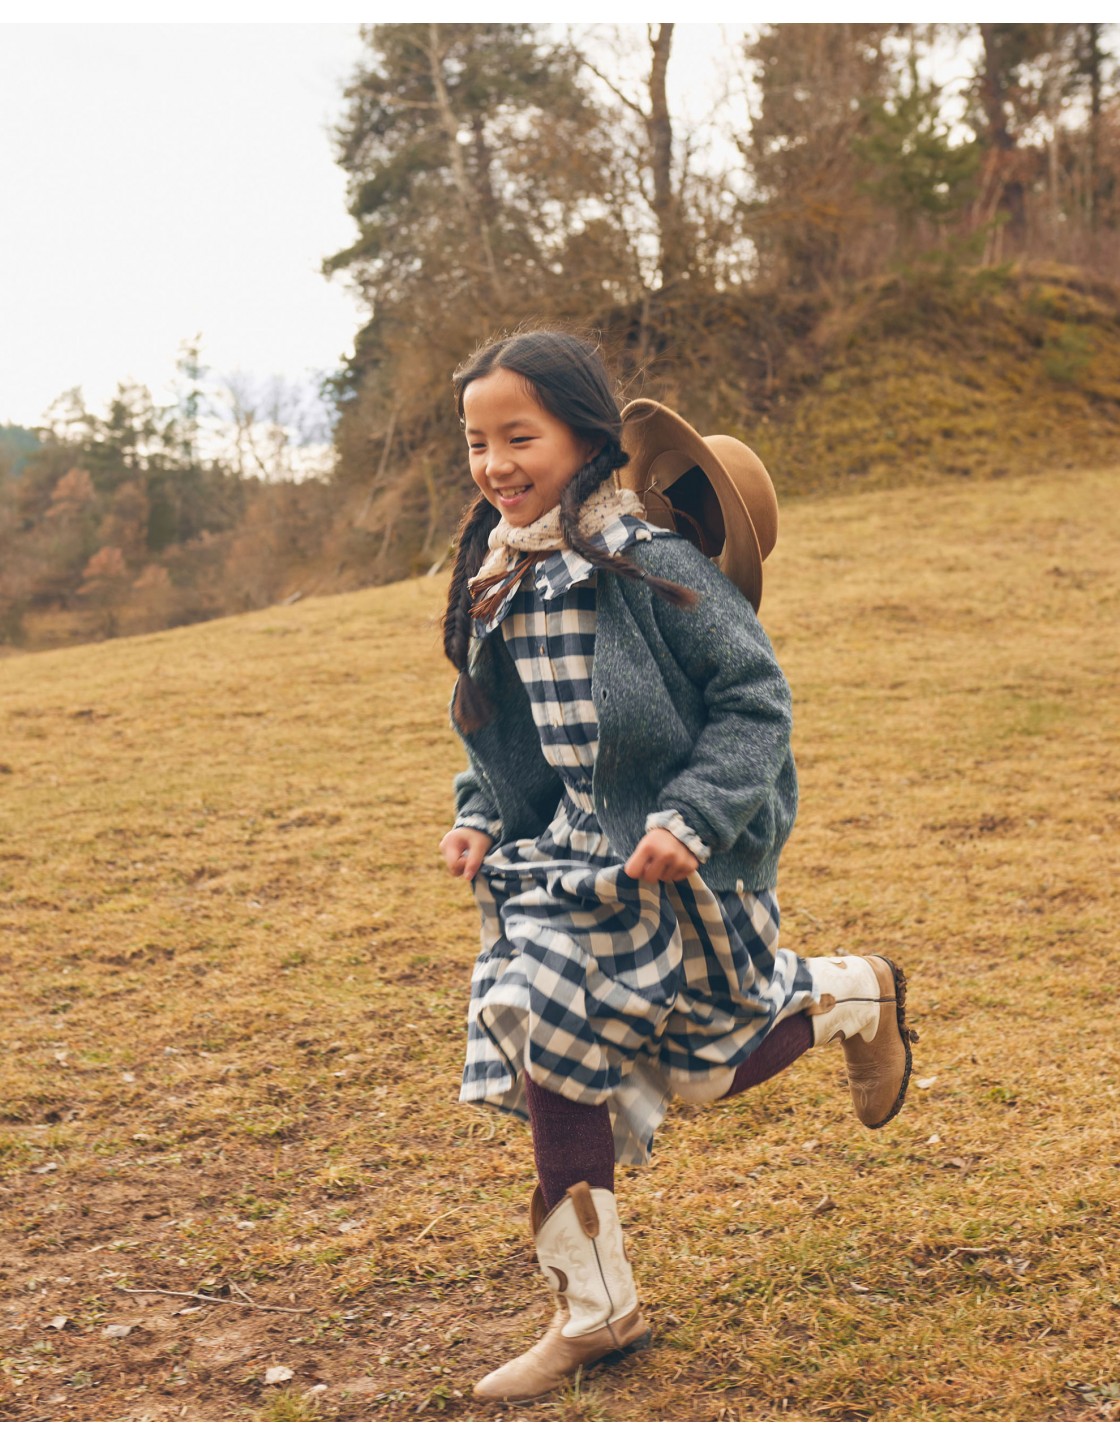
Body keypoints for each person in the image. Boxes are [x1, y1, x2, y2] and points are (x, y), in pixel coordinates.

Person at [438, 328, 915, 1404]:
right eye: (476, 440)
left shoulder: (655, 566)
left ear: (586, 438)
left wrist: (692, 817)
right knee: (541, 1027)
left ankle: (850, 992)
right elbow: (493, 731)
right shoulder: (500, 578)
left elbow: (757, 704)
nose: (494, 463)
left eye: (520, 435)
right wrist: (476, 812)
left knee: (702, 1068)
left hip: (690, 869)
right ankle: (595, 1309)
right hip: (571, 873)